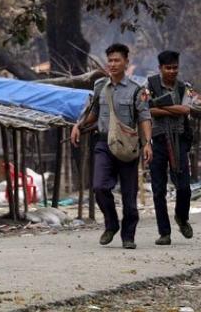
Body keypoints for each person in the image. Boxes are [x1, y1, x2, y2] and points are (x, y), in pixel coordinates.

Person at [71, 43, 152, 249]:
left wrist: (147, 143)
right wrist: (78, 125)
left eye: (117, 60)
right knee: (99, 187)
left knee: (129, 195)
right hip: (104, 143)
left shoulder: (137, 90)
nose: (113, 64)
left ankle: (128, 236)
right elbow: (93, 112)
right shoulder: (100, 86)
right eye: (110, 61)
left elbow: (144, 118)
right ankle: (111, 224)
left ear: (126, 62)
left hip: (127, 147)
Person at [147, 50, 195, 245]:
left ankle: (181, 218)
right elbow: (146, 109)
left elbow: (186, 109)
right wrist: (172, 109)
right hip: (157, 141)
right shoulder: (149, 85)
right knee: (158, 190)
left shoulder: (185, 87)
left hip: (179, 140)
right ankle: (164, 233)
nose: (172, 71)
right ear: (160, 68)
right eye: (168, 68)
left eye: (175, 67)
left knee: (184, 187)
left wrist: (162, 108)